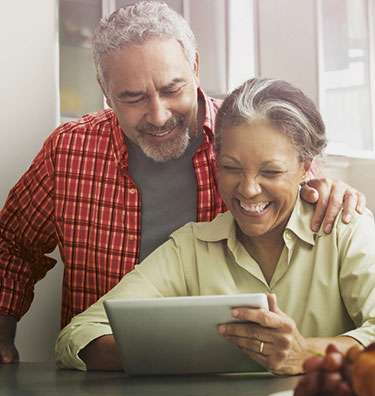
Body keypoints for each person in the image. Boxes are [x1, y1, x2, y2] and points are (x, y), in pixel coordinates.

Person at [0, 2, 365, 365]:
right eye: (133, 98)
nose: (158, 115)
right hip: (111, 372)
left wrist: (335, 193)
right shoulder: (69, 151)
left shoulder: (247, 130)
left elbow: (304, 195)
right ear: (105, 89)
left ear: (194, 67)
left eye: (172, 89)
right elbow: (12, 244)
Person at [55, 78, 375, 374]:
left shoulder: (346, 230)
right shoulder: (190, 249)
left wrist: (306, 353)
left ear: (306, 167)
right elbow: (78, 336)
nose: (248, 189)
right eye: (231, 168)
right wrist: (172, 350)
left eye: (271, 172)